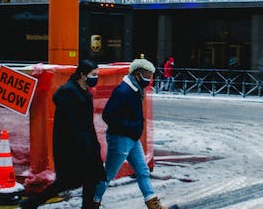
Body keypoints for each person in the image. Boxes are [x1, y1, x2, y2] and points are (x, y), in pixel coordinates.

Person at [19, 59, 105, 209]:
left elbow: (87, 123)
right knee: (68, 182)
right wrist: (83, 144)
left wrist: (93, 144)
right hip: (72, 147)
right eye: (93, 74)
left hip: (86, 145)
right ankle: (30, 203)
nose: (96, 78)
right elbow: (67, 125)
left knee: (90, 178)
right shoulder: (69, 93)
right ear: (83, 75)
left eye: (97, 74)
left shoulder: (83, 92)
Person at [94, 58, 171, 209]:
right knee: (108, 174)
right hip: (121, 139)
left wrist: (133, 129)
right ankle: (93, 202)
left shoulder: (135, 89)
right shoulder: (124, 91)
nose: (149, 79)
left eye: (151, 75)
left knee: (143, 171)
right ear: (136, 74)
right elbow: (108, 115)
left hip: (132, 139)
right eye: (147, 75)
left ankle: (153, 204)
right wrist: (130, 127)